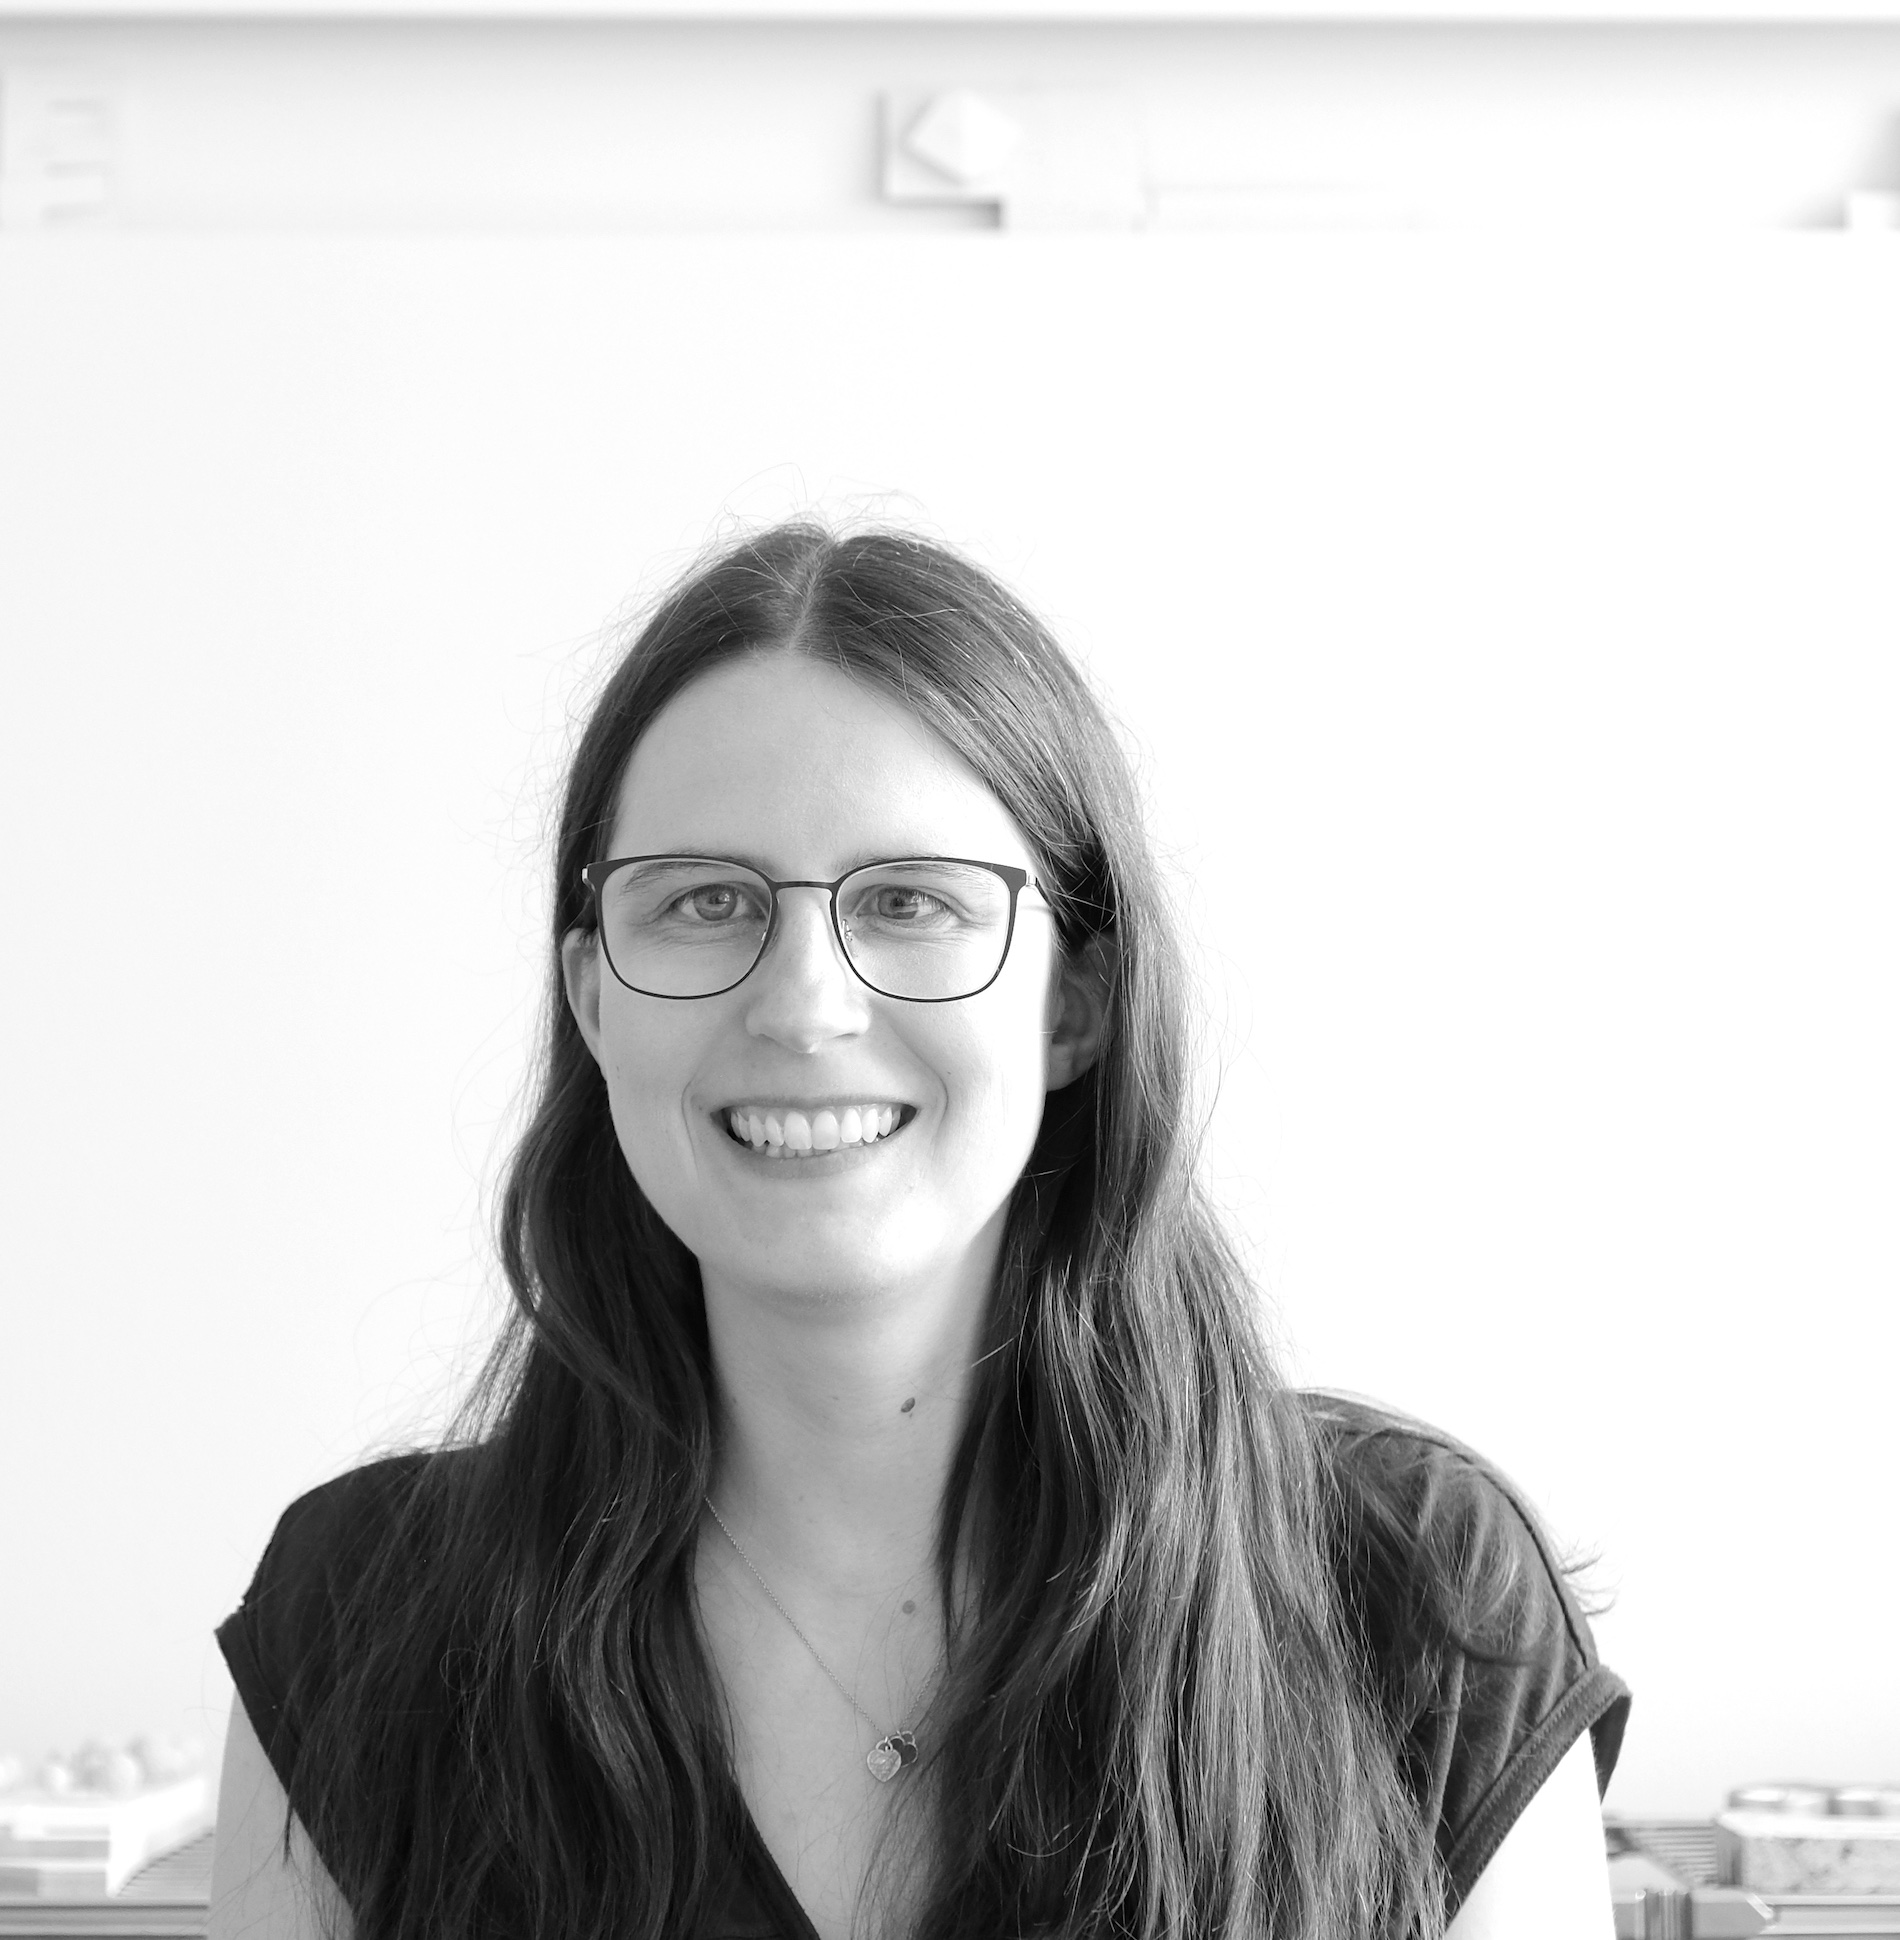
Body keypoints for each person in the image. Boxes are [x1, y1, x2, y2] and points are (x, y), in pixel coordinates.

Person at [208, 521, 1629, 1940]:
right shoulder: (356, 1619)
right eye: (705, 902)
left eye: (910, 902)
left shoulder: (1416, 1590)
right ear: (593, 998)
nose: (803, 1006)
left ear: (1076, 1002)